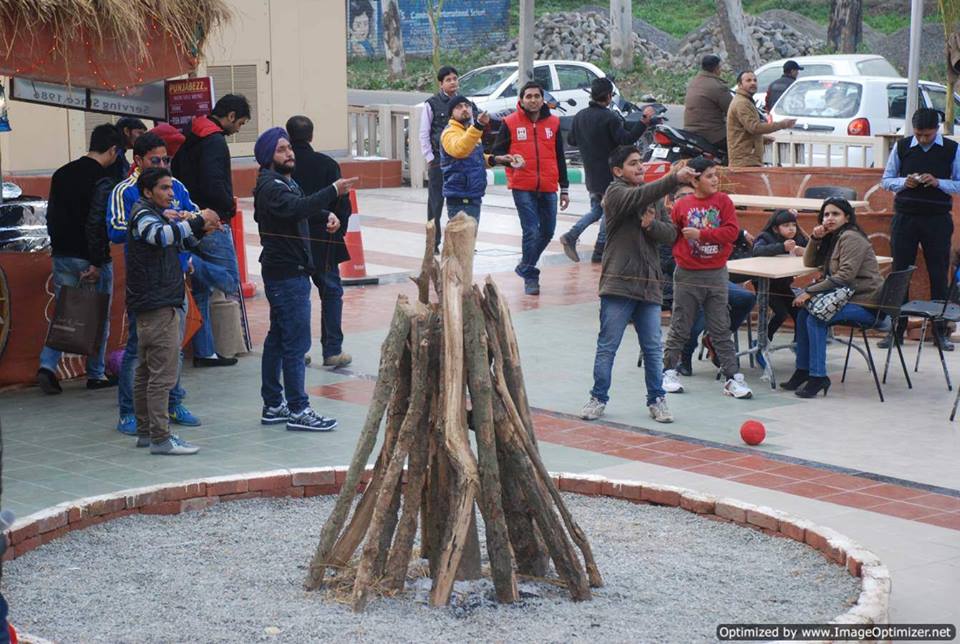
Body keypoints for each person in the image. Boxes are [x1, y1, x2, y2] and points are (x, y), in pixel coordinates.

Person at [107, 130, 218, 435]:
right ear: (139, 163)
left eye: (166, 160)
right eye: (155, 161)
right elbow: (126, 231)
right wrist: (176, 222)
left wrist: (197, 224)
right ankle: (135, 416)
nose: (163, 166)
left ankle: (171, 405)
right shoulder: (131, 199)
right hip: (147, 285)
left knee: (172, 349)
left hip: (173, 278)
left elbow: (191, 219)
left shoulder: (174, 187)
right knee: (140, 352)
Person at [580, 147, 698, 424]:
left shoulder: (651, 196)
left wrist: (651, 225)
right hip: (618, 285)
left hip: (649, 285)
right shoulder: (615, 193)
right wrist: (673, 178)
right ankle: (598, 397)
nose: (640, 167)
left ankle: (657, 399)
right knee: (608, 346)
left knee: (653, 348)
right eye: (633, 163)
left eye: (641, 162)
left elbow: (671, 234)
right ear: (617, 171)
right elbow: (637, 197)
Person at [253, 127, 358, 431]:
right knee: (295, 344)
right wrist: (333, 191)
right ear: (268, 157)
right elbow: (295, 207)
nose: (289, 153)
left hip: (288, 271)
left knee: (278, 338)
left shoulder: (283, 182)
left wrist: (325, 214)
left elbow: (299, 207)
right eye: (281, 150)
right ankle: (298, 409)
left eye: (289, 147)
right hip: (287, 274)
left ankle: (274, 404)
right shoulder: (271, 186)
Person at [127, 167, 220, 455]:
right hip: (157, 304)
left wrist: (201, 229)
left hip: (157, 302)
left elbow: (179, 242)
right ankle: (161, 438)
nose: (171, 193)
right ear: (147, 191)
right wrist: (197, 220)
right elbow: (161, 237)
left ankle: (147, 433)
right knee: (161, 376)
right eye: (164, 188)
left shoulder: (155, 214)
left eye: (171, 187)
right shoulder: (144, 216)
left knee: (147, 372)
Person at [37, 124, 122, 395]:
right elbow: (96, 223)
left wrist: (58, 247)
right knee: (99, 314)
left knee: (64, 313)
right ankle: (96, 373)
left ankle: (47, 366)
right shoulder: (103, 180)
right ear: (113, 150)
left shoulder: (61, 173)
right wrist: (97, 261)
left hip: (63, 253)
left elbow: (51, 216)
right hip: (89, 257)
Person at [662, 156, 753, 399]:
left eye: (716, 175)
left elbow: (731, 232)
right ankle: (668, 370)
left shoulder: (723, 201)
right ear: (695, 180)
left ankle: (732, 377)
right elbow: (671, 235)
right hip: (687, 273)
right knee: (680, 324)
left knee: (721, 327)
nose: (715, 180)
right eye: (709, 176)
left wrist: (701, 234)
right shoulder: (682, 205)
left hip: (716, 273)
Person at [172, 93, 250, 367]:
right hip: (212, 221)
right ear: (230, 116)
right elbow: (214, 181)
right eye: (240, 123)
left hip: (190, 219)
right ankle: (189, 263)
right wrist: (227, 205)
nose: (238, 129)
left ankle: (205, 352)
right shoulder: (215, 141)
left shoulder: (191, 135)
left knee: (202, 292)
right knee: (229, 280)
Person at [783, 198, 883, 398]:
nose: (829, 218)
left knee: (816, 318)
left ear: (847, 218)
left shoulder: (851, 238)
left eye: (835, 214)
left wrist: (810, 291)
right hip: (845, 299)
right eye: (826, 215)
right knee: (803, 315)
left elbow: (845, 276)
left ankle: (818, 376)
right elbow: (809, 262)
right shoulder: (834, 237)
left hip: (865, 304)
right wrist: (815, 238)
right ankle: (803, 370)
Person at [880, 107, 960, 350]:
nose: (923, 139)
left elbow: (958, 183)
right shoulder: (903, 146)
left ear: (937, 129)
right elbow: (886, 180)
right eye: (919, 134)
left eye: (928, 135)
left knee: (939, 273)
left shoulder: (951, 149)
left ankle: (939, 331)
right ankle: (896, 329)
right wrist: (904, 182)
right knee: (900, 273)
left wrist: (938, 182)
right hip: (905, 217)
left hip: (937, 219)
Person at [561, 77, 656, 263]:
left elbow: (572, 140)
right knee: (608, 212)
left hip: (591, 173)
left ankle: (572, 235)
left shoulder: (580, 116)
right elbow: (626, 139)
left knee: (597, 210)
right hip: (609, 174)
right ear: (608, 96)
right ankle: (600, 249)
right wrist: (644, 122)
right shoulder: (609, 117)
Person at [286, 114, 353, 368]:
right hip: (324, 239)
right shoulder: (327, 164)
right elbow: (342, 203)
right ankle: (332, 350)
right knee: (331, 292)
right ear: (312, 136)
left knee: (296, 296)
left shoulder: (283, 168)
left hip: (292, 241)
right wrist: (339, 228)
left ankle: (298, 351)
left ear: (289, 137)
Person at [492, 81, 570, 295]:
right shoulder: (509, 122)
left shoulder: (554, 123)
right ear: (521, 100)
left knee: (548, 231)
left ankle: (525, 266)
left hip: (548, 185)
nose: (533, 100)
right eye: (529, 96)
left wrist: (564, 188)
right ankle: (530, 277)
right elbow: (496, 152)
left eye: (537, 96)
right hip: (522, 186)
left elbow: (560, 156)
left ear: (543, 99)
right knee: (531, 231)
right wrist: (508, 160)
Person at [440, 96, 518, 222]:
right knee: (462, 234)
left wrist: (495, 159)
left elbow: (476, 157)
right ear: (451, 114)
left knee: (470, 233)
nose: (464, 109)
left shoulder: (470, 130)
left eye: (467, 106)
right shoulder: (450, 132)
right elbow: (459, 150)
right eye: (459, 107)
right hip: (459, 195)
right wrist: (479, 126)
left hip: (474, 194)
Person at [419, 65, 461, 253]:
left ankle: (459, 241)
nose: (452, 82)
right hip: (438, 161)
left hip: (459, 162)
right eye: (448, 80)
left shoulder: (464, 103)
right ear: (441, 84)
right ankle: (432, 243)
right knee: (435, 204)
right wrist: (430, 158)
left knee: (459, 202)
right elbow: (424, 133)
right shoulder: (432, 104)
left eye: (455, 79)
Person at [752, 209, 808, 340]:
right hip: (765, 285)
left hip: (783, 284)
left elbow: (811, 247)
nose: (791, 228)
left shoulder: (796, 238)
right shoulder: (765, 237)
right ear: (776, 229)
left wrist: (804, 250)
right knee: (781, 313)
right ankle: (763, 340)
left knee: (798, 312)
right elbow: (757, 250)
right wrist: (782, 247)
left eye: (793, 225)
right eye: (786, 225)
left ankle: (798, 344)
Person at [726, 71, 796, 167]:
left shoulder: (746, 100)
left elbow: (745, 130)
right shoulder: (742, 103)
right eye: (748, 80)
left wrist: (761, 139)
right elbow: (754, 127)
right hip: (745, 161)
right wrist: (782, 124)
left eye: (755, 80)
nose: (753, 83)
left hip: (748, 159)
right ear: (740, 85)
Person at [683, 55, 733, 158]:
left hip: (689, 132)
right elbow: (733, 110)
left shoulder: (693, 83)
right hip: (712, 134)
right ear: (717, 68)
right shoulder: (718, 87)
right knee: (742, 143)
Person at [107, 117, 147, 182]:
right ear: (127, 131)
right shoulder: (115, 155)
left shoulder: (116, 152)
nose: (143, 138)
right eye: (140, 133)